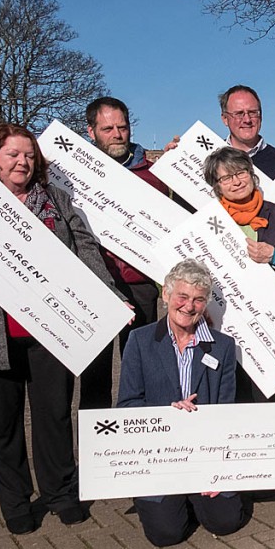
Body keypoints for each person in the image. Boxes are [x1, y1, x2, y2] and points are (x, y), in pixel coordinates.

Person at [0, 124, 124, 535]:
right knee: (1, 424)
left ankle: (60, 492)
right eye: (12, 154)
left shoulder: (55, 201)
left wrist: (110, 295)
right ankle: (15, 501)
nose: (22, 162)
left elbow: (86, 248)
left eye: (28, 155)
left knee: (53, 415)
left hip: (50, 330)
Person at [117, 259, 247, 546]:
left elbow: (227, 411)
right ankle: (173, 501)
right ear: (166, 295)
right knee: (166, 534)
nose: (189, 306)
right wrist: (167, 415)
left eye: (198, 300)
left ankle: (192, 498)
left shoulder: (223, 346)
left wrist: (218, 469)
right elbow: (126, 406)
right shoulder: (139, 341)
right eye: (183, 297)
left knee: (226, 521)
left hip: (205, 453)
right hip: (159, 456)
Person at [80, 96, 171, 411]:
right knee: (94, 374)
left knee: (141, 368)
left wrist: (178, 163)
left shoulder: (154, 172)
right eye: (108, 129)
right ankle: (98, 447)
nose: (117, 134)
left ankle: (140, 445)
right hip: (92, 283)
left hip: (139, 282)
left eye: (122, 127)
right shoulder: (72, 174)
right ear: (91, 131)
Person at [202, 147, 275, 402]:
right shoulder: (210, 220)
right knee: (232, 386)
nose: (236, 181)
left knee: (273, 390)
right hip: (228, 316)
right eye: (226, 178)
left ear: (252, 175)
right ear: (217, 186)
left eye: (241, 172)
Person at [219, 84, 275, 179]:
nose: (247, 120)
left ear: (261, 116)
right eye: (239, 114)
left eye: (252, 112)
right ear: (225, 119)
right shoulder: (208, 158)